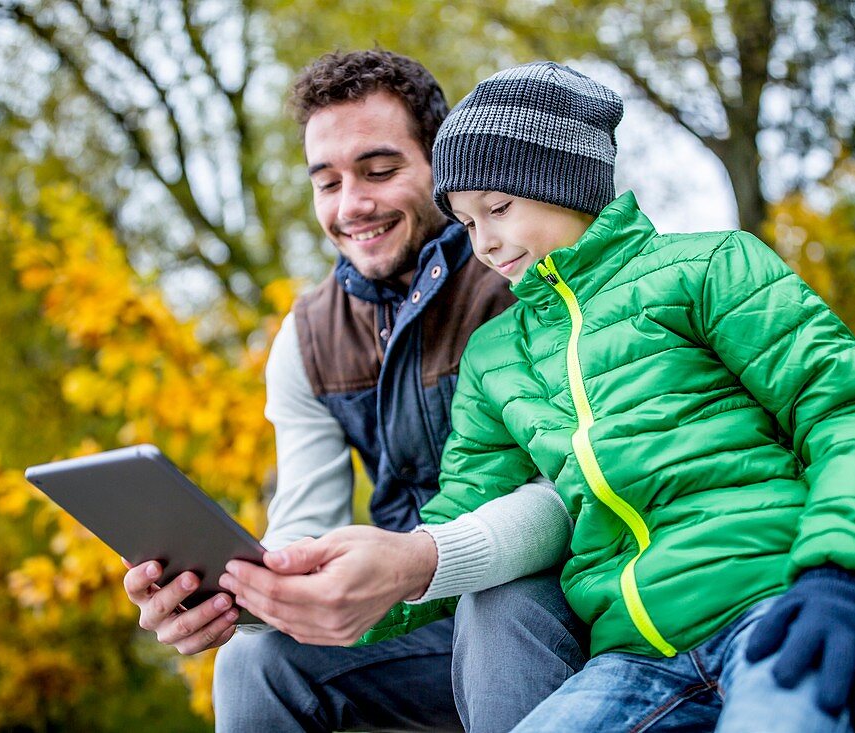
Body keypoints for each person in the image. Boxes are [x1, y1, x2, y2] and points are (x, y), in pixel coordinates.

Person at [360, 61, 855, 732]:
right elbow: (464, 512)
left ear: (563, 183)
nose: (482, 242)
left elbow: (854, 412)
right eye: (464, 222)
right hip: (633, 661)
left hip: (782, 610)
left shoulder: (709, 268)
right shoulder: (496, 356)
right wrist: (369, 584)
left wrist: (847, 578)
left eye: (498, 208)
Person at [121, 50, 587, 732]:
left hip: (562, 603)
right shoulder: (308, 336)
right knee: (256, 660)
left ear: (441, 166)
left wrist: (424, 560)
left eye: (379, 170)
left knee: (500, 602)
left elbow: (583, 486)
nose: (351, 206)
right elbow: (304, 522)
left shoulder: (526, 280)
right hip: (419, 623)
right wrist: (247, 597)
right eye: (327, 183)